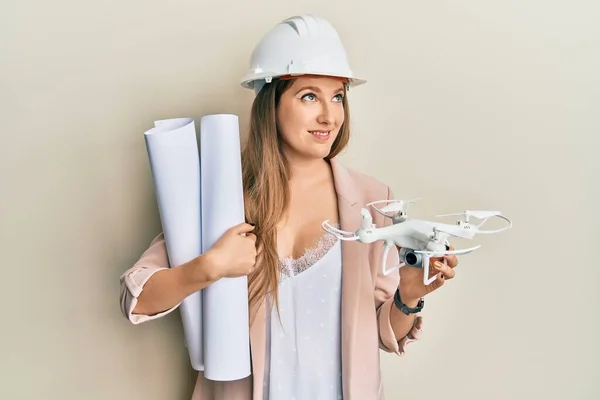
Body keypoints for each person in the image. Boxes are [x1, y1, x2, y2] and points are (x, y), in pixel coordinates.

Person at [119, 14, 459, 400]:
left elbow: (382, 335)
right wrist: (209, 266)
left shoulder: (370, 199)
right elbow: (137, 296)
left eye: (338, 97)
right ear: (271, 103)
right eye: (309, 95)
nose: (329, 116)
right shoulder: (224, 196)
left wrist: (409, 296)